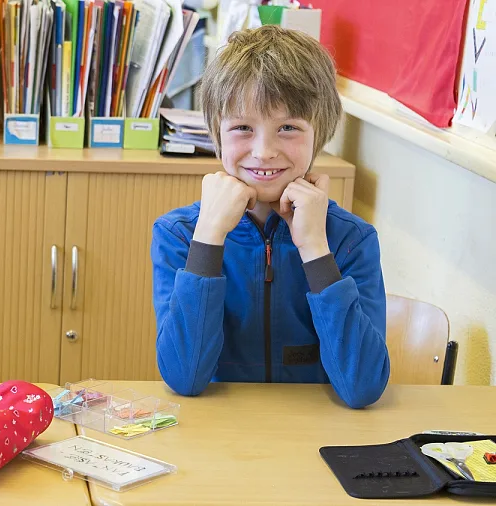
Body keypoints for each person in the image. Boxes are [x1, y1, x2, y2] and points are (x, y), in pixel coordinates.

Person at [152, 25, 390, 409]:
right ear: (216, 135)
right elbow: (184, 377)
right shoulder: (179, 235)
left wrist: (315, 247)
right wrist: (209, 236)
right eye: (242, 128)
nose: (264, 151)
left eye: (288, 128)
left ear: (320, 134)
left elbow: (362, 387)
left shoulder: (350, 239)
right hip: (219, 437)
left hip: (315, 437)